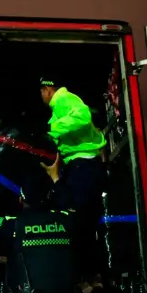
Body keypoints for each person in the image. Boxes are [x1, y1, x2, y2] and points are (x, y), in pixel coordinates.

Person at [39, 77, 107, 275]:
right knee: (83, 222)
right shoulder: (60, 104)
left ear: (47, 89)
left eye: (41, 91)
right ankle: (92, 275)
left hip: (83, 165)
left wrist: (51, 129)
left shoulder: (64, 99)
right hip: (79, 165)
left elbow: (82, 117)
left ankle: (89, 275)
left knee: (79, 221)